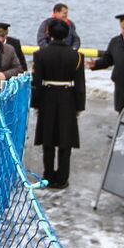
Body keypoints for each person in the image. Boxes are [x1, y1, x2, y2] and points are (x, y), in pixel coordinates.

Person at [31, 18, 86, 189]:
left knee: (48, 140)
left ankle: (48, 176)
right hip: (67, 98)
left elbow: (37, 82)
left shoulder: (40, 55)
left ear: (49, 33)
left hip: (47, 97)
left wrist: (36, 103)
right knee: (65, 141)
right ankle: (62, 178)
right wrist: (79, 106)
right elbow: (80, 85)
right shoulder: (76, 56)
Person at [90, 13, 124, 112]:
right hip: (120, 85)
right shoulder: (115, 42)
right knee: (121, 112)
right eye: (123, 29)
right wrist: (95, 64)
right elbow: (108, 60)